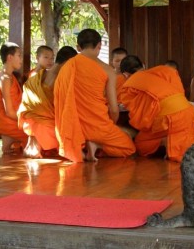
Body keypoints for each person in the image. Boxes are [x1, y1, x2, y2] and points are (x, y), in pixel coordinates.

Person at [54, 29, 136, 162]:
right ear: (99, 45)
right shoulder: (108, 70)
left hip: (74, 128)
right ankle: (96, 144)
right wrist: (111, 126)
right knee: (128, 147)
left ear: (78, 47)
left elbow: (61, 99)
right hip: (99, 126)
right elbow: (114, 110)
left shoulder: (68, 66)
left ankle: (85, 145)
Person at [120, 55, 194, 163]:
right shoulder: (164, 70)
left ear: (126, 74)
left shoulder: (129, 85)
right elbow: (178, 91)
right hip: (188, 111)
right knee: (191, 137)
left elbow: (142, 120)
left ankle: (168, 142)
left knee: (140, 143)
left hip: (170, 119)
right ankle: (180, 142)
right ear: (143, 65)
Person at [18, 46, 78, 158]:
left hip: (33, 119)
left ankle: (35, 143)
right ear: (68, 62)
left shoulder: (40, 76)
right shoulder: (58, 77)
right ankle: (40, 144)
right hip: (46, 122)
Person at [0, 42, 28, 154]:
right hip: (9, 121)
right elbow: (9, 112)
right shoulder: (5, 79)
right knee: (39, 136)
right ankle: (10, 136)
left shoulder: (10, 77)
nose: (21, 59)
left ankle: (11, 141)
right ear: (10, 57)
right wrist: (28, 121)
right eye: (19, 55)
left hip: (14, 120)